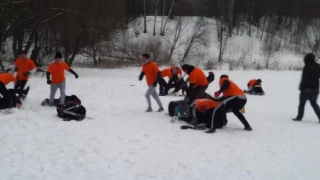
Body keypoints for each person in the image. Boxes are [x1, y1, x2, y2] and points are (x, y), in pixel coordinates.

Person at [293, 53, 320, 123]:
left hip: (306, 89)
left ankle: (299, 117)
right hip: (315, 89)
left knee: (302, 104)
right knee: (314, 104)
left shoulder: (306, 67)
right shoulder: (318, 66)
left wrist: (301, 87)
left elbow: (304, 78)